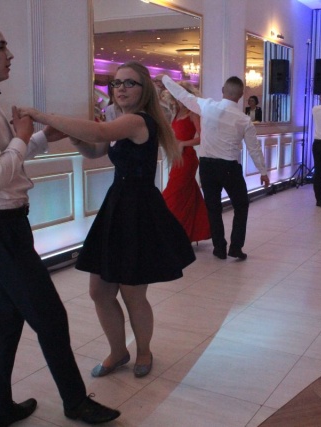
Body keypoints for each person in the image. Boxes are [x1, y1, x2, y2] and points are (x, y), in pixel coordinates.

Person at [0, 15, 120, 426]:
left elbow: (5, 160)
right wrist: (23, 136)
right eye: (1, 46)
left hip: (4, 225)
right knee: (50, 316)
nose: (10, 54)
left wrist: (39, 137)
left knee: (8, 319)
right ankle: (75, 402)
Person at [19, 61, 196, 380]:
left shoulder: (138, 121)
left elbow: (100, 132)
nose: (120, 89)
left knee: (132, 292)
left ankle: (143, 351)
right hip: (118, 206)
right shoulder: (120, 120)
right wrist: (73, 137)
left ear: (143, 89)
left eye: (129, 83)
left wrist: (42, 116)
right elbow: (95, 149)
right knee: (99, 291)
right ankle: (118, 351)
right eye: (116, 83)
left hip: (139, 210)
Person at [162, 74, 270, 260]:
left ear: (222, 91)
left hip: (207, 166)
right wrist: (263, 172)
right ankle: (235, 247)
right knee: (241, 206)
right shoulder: (243, 120)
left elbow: (182, 95)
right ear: (241, 95)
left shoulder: (207, 106)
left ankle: (219, 248)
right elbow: (254, 149)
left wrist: (165, 79)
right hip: (229, 167)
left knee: (213, 207)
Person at [162, 81, 211, 242]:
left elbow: (203, 137)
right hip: (177, 158)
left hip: (187, 159)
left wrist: (184, 143)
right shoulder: (175, 112)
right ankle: (189, 233)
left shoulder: (192, 113)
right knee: (188, 196)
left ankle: (171, 234)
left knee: (173, 195)